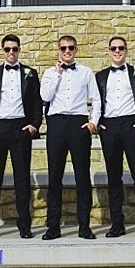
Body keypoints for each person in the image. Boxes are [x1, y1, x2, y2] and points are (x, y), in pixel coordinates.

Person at [0, 34, 42, 239]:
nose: (11, 53)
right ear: (2, 51)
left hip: (21, 128)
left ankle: (24, 224)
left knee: (22, 179)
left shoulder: (30, 74)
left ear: (19, 49)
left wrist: (34, 125)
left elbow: (36, 102)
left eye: (14, 49)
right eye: (7, 49)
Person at [39, 35, 101, 240]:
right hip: (56, 124)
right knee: (54, 176)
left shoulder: (86, 72)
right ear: (58, 50)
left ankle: (84, 225)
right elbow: (45, 97)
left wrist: (93, 122)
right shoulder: (49, 73)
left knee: (82, 176)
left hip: (78, 123)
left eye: (70, 47)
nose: (67, 51)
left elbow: (96, 98)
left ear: (77, 49)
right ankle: (53, 226)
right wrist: (57, 74)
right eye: (63, 48)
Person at [94, 37, 135, 238]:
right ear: (109, 51)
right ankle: (117, 224)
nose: (117, 51)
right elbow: (95, 100)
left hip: (132, 125)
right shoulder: (100, 76)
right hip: (109, 127)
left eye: (121, 48)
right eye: (114, 48)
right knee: (114, 177)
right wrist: (98, 123)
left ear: (126, 51)